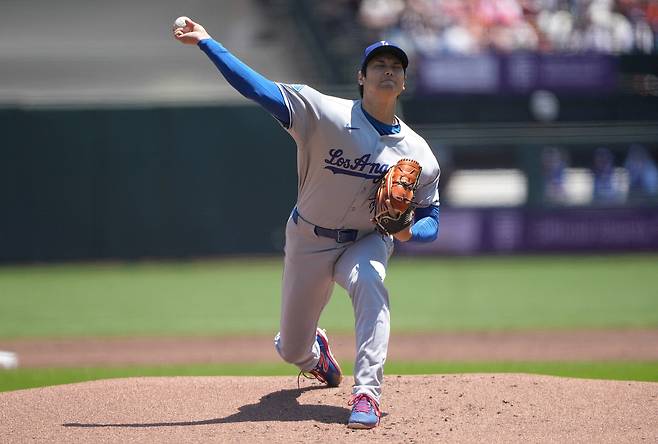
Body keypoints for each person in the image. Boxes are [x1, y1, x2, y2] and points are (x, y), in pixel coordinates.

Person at [173, 17, 441, 429]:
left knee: (370, 281)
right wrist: (208, 42)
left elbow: (432, 219)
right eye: (379, 65)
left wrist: (406, 231)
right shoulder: (323, 112)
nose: (388, 70)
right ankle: (315, 354)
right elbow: (258, 89)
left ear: (403, 82)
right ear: (361, 78)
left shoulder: (419, 152)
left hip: (367, 240)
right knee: (290, 349)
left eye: (396, 67)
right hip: (309, 238)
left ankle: (367, 394)